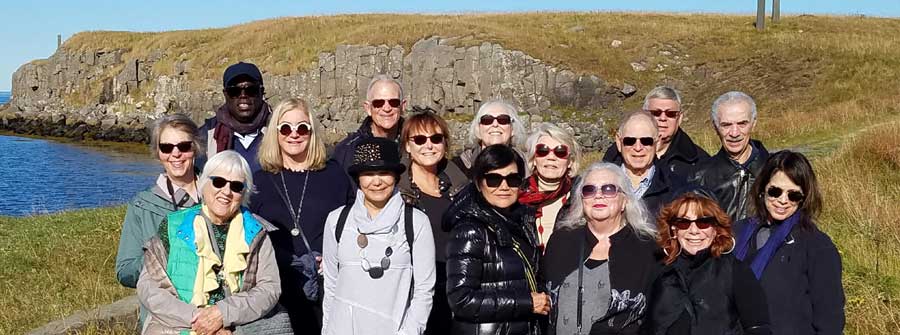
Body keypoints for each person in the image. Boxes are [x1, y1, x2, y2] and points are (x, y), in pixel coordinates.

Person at [137, 151, 286, 334]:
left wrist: (223, 314)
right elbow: (148, 287)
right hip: (175, 328)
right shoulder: (173, 226)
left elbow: (269, 289)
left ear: (244, 193)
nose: (226, 192)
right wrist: (199, 320)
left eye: (237, 186)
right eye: (218, 182)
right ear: (203, 183)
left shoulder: (257, 233)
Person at [251, 98, 354, 334]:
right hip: (277, 289)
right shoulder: (259, 181)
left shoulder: (335, 174)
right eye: (285, 128)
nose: (294, 134)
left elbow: (352, 225)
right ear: (275, 133)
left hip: (327, 287)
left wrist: (330, 258)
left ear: (312, 132)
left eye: (302, 128)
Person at [322, 137, 436, 335]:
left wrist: (409, 332)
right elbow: (331, 285)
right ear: (358, 178)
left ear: (396, 177)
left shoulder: (416, 222)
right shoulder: (336, 221)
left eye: (384, 173)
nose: (376, 181)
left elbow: (424, 289)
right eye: (368, 173)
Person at [733, 150, 844, 334]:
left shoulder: (816, 246)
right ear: (762, 189)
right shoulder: (738, 233)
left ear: (804, 198)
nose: (783, 201)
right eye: (775, 191)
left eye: (793, 195)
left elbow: (830, 319)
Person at [542, 163, 659, 335]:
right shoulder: (562, 241)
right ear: (582, 199)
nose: (598, 196)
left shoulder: (647, 247)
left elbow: (658, 314)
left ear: (624, 200)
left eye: (609, 189)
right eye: (589, 190)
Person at [444, 144, 548, 335]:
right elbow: (461, 299)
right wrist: (526, 302)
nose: (504, 187)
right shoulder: (470, 230)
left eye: (513, 179)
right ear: (478, 183)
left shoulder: (521, 222)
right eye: (493, 179)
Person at [646, 192, 771, 335]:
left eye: (703, 222)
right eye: (684, 223)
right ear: (673, 229)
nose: (694, 231)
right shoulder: (659, 271)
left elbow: (759, 328)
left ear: (716, 229)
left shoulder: (735, 271)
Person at [396, 109, 469, 335]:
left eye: (436, 138)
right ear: (408, 146)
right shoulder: (396, 193)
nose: (429, 145)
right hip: (415, 294)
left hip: (458, 290)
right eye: (419, 139)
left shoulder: (462, 188)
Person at [117, 114, 202, 289]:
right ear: (158, 153)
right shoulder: (141, 206)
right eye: (166, 148)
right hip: (163, 312)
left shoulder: (219, 195)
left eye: (184, 146)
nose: (176, 154)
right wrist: (163, 256)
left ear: (196, 148)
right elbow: (125, 272)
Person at [689, 91, 769, 222]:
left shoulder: (775, 171)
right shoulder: (698, 177)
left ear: (753, 124)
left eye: (742, 124)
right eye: (726, 125)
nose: (734, 133)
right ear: (715, 127)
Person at [603, 86, 709, 181]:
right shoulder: (616, 152)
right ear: (644, 114)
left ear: (680, 118)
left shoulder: (699, 161)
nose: (663, 118)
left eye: (670, 114)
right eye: (655, 113)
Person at [198, 62, 272, 173]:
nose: (243, 95)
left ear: (261, 92)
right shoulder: (205, 136)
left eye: (251, 90)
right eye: (234, 91)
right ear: (225, 94)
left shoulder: (281, 131)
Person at [518, 122, 582, 251]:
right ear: (533, 159)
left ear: (570, 161)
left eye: (560, 152)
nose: (551, 157)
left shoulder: (583, 196)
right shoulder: (516, 196)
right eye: (543, 151)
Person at [605, 111, 680, 218]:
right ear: (618, 142)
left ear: (657, 142)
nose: (638, 148)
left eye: (646, 141)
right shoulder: (598, 187)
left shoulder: (677, 189)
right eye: (630, 141)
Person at [331, 74, 407, 173]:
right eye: (378, 103)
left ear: (403, 106)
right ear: (368, 108)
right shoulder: (346, 150)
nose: (387, 108)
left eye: (394, 102)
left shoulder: (420, 144)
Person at [452, 100, 528, 178]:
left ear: (513, 129)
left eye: (503, 120)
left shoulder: (528, 166)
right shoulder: (458, 167)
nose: (495, 124)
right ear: (478, 129)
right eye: (487, 120)